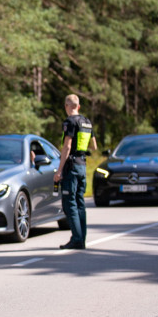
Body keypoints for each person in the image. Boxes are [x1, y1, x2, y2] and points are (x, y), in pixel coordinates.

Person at [54, 94, 97, 250]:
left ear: (66, 106)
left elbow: (67, 146)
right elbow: (94, 146)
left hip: (71, 167)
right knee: (80, 203)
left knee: (69, 203)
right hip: (82, 165)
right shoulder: (87, 122)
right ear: (78, 106)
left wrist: (59, 171)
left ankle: (76, 239)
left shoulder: (69, 122)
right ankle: (81, 238)